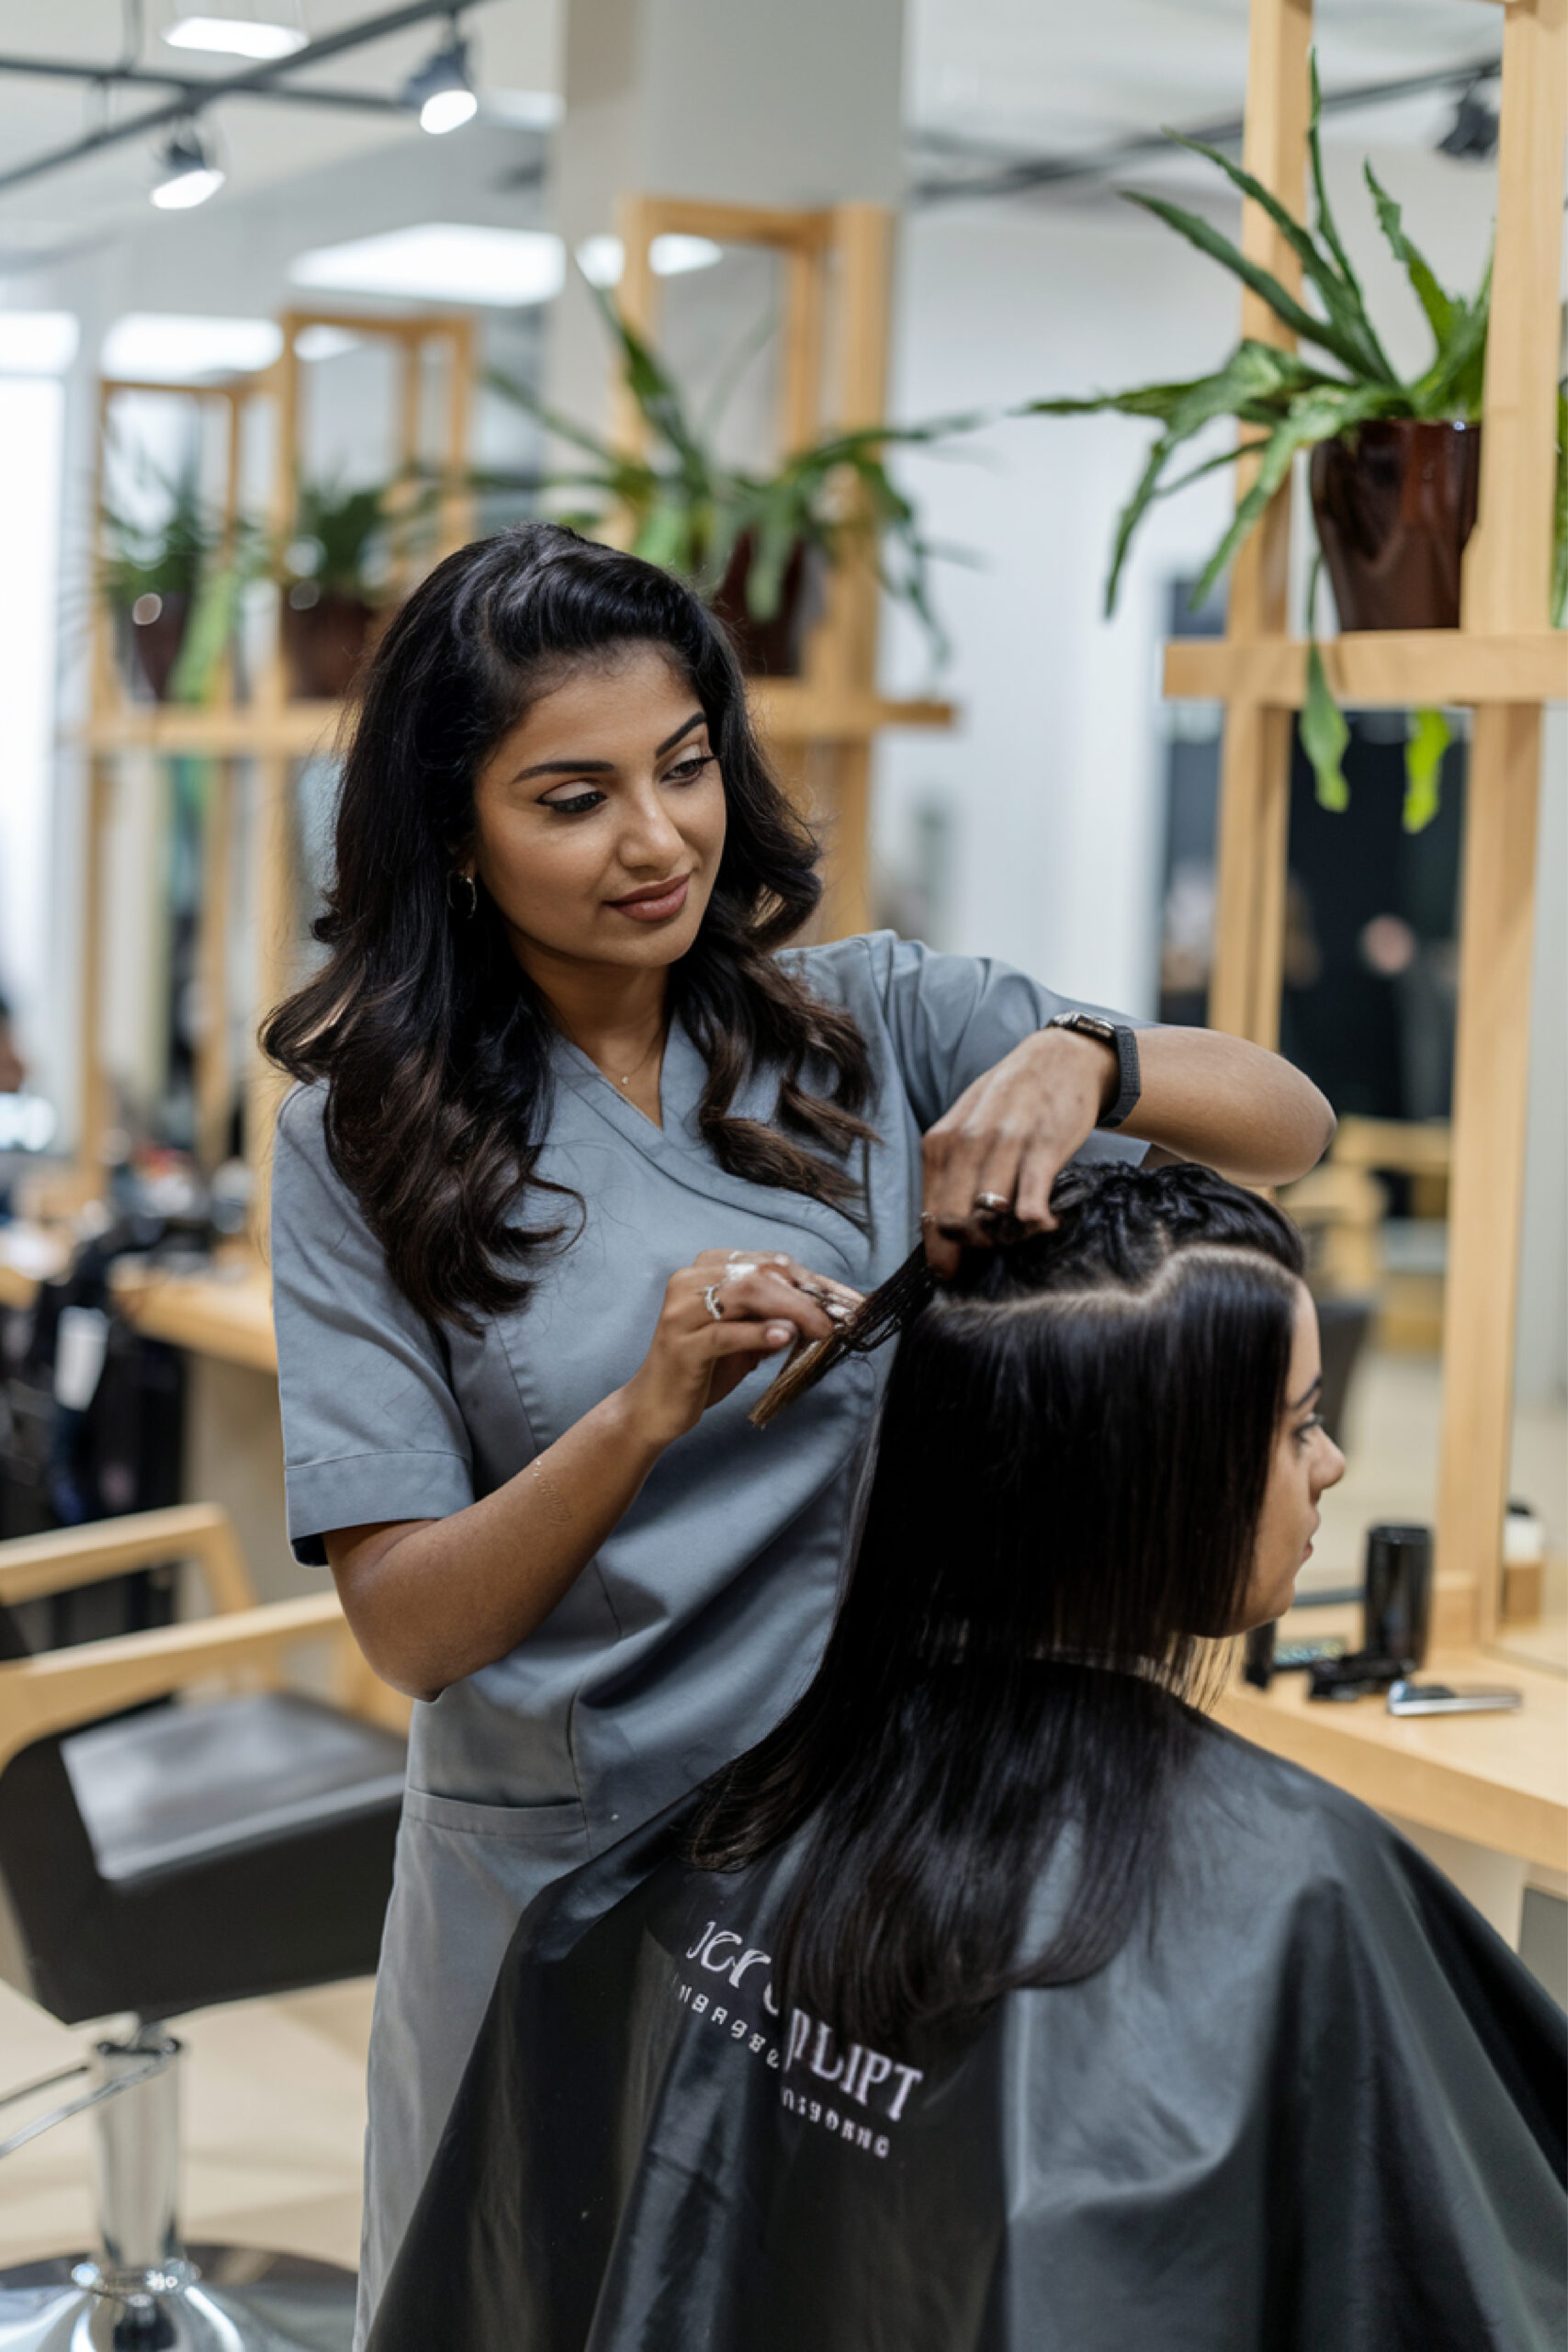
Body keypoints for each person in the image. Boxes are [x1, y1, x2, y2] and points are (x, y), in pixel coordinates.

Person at [264, 525, 1335, 2334]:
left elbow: (1284, 1115)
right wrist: (641, 1409)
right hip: (556, 1883)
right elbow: (411, 1627)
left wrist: (1086, 1055)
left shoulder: (866, 1020)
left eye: (683, 766)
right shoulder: (357, 1142)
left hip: (862, 1869)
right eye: (572, 795)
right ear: (456, 833)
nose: (657, 837)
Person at [366, 1162, 1566, 2352]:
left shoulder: (778, 1798)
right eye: (1300, 1423)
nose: (1334, 1462)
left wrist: (1095, 1057)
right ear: (1155, 1477)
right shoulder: (1304, 1880)